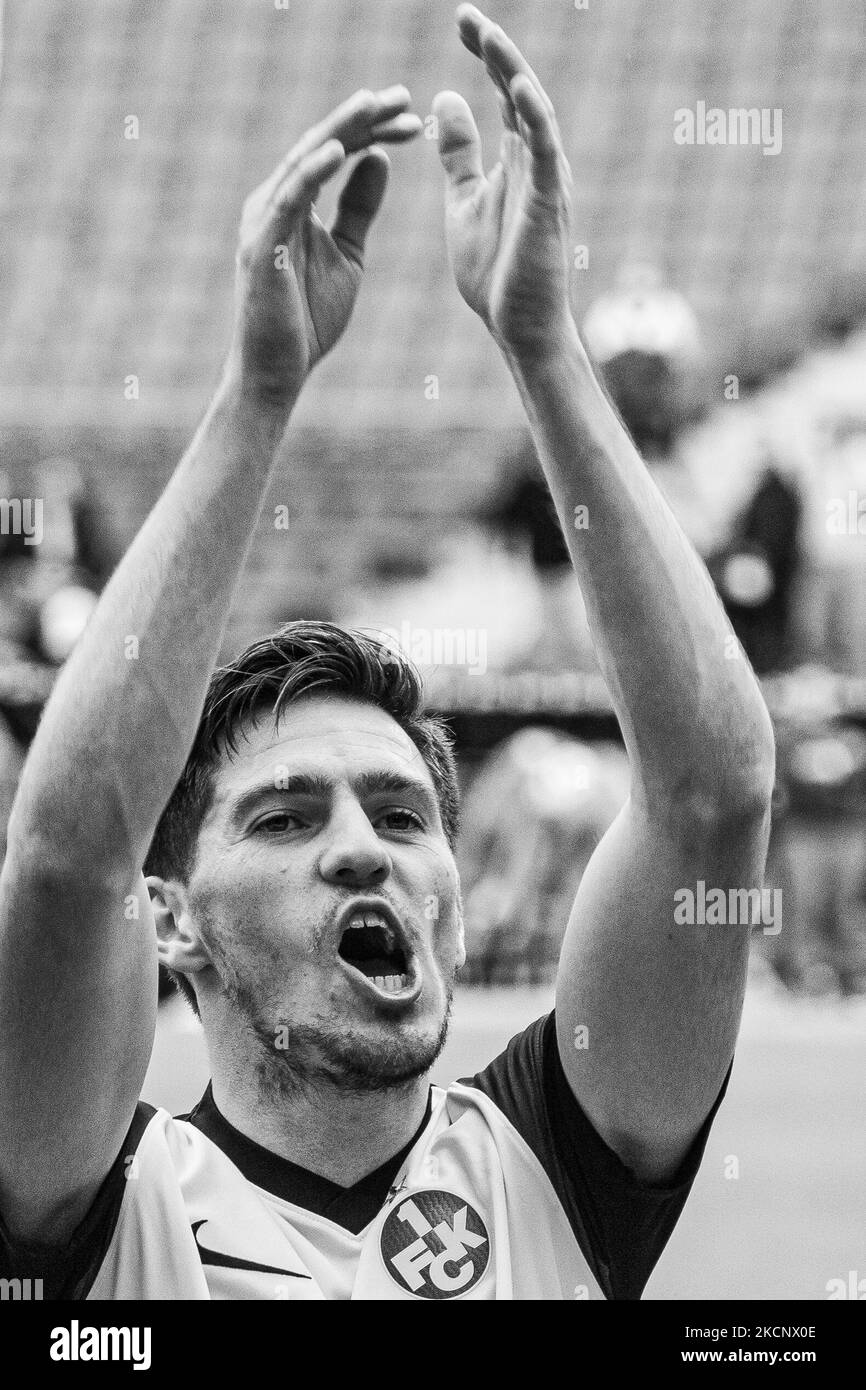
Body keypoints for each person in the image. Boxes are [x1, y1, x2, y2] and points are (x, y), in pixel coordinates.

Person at [0, 6, 774, 1301]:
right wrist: (257, 398)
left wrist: (542, 347)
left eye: (402, 811)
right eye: (286, 814)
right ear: (174, 921)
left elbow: (711, 798)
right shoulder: (99, 1213)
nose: (360, 844)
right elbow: (73, 862)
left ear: (452, 898)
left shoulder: (548, 1168)